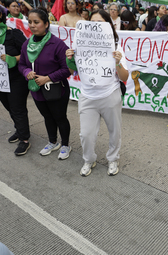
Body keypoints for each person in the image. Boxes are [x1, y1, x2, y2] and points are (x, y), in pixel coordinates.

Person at [66, 9, 129, 176]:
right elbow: (72, 71)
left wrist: (118, 62)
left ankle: (113, 158)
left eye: (99, 24)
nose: (95, 27)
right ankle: (89, 159)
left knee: (114, 131)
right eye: (92, 23)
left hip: (110, 95)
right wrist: (70, 59)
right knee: (86, 134)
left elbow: (124, 76)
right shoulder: (79, 45)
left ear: (108, 26)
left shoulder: (116, 47)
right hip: (88, 96)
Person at [18, 8, 72, 160]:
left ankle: (66, 144)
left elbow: (67, 69)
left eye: (36, 22)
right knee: (47, 117)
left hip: (56, 90)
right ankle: (52, 142)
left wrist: (47, 78)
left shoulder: (57, 44)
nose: (32, 25)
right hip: (37, 90)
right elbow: (21, 64)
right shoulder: (26, 44)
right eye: (30, 22)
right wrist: (26, 71)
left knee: (60, 117)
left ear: (46, 24)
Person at [0, 6, 30, 156]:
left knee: (17, 109)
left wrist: (13, 58)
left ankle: (24, 139)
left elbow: (28, 53)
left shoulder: (13, 33)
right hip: (1, 80)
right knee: (9, 107)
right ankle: (19, 129)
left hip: (16, 79)